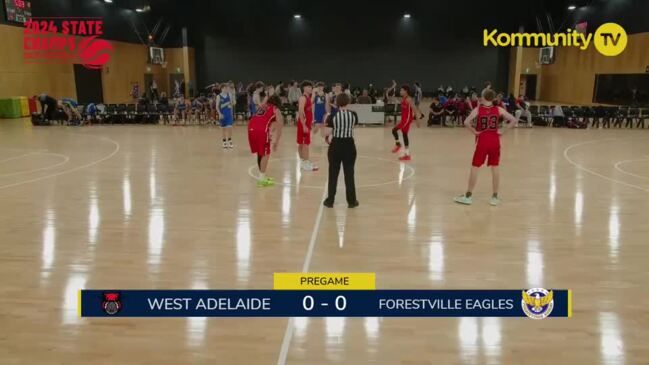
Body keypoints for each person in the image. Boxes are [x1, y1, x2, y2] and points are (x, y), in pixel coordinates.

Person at [454, 88, 517, 206]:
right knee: (495, 168)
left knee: (475, 167)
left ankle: (468, 196)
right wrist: (503, 131)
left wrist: (474, 132)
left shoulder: (478, 109)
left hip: (482, 140)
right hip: (495, 140)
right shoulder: (498, 109)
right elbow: (513, 120)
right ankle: (495, 196)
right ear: (493, 98)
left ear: (483, 97)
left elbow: (466, 122)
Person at [323, 93, 359, 208]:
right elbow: (352, 127)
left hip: (336, 146)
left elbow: (326, 133)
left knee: (333, 174)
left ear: (337, 103)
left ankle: (330, 201)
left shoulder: (332, 116)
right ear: (348, 102)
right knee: (349, 173)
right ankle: (352, 202)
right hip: (349, 145)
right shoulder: (353, 115)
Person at [248, 93, 284, 187]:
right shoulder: (276, 110)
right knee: (266, 153)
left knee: (260, 152)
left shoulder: (263, 107)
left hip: (251, 128)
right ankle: (262, 179)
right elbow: (280, 127)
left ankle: (262, 176)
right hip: (261, 130)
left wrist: (270, 132)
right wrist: (276, 142)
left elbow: (267, 121)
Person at [391, 85, 422, 161]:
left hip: (407, 120)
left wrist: (418, 120)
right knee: (405, 135)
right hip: (404, 120)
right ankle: (407, 155)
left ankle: (398, 145)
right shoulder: (403, 99)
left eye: (401, 90)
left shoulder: (409, 99)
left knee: (394, 130)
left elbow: (414, 109)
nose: (400, 91)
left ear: (406, 91)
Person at [297, 80, 318, 171]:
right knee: (305, 143)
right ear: (304, 88)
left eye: (311, 87)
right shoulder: (303, 98)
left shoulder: (308, 98)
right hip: (303, 124)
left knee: (303, 143)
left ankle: (303, 162)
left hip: (307, 124)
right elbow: (301, 111)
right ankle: (304, 163)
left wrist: (311, 122)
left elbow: (308, 111)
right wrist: (304, 125)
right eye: (308, 87)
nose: (310, 88)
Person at [216, 83, 234, 149]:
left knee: (230, 128)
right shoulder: (218, 96)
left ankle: (230, 141)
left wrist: (232, 114)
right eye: (225, 88)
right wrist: (220, 114)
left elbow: (231, 105)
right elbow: (217, 107)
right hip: (222, 115)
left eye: (227, 88)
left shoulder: (229, 95)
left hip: (228, 114)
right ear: (222, 89)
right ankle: (224, 142)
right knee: (223, 129)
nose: (226, 89)